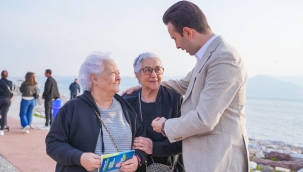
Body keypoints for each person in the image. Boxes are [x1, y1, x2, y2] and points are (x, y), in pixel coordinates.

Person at [123, 1, 249, 171]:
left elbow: (204, 120)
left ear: (188, 32)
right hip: (204, 160)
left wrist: (165, 126)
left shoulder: (224, 58)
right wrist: (146, 84)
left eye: (175, 39)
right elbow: (182, 84)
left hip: (218, 160)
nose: (177, 46)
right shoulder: (209, 57)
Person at [46, 52, 147, 172]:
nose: (119, 77)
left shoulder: (126, 108)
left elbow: (142, 141)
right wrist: (80, 158)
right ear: (94, 78)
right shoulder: (73, 108)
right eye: (113, 73)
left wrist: (137, 158)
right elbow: (53, 143)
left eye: (119, 73)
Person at [122, 52, 184, 172]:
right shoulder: (127, 102)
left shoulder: (174, 99)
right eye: (148, 70)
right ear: (137, 74)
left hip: (169, 168)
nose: (154, 74)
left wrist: (154, 148)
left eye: (157, 69)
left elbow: (183, 141)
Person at [0, 70, 13, 136]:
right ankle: (1, 130)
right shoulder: (10, 82)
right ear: (7, 75)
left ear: (1, 75)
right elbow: (10, 91)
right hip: (7, 100)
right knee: (4, 115)